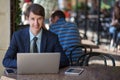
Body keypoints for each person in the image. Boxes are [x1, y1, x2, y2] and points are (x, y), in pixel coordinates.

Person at [2, 4, 69, 69]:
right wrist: (23, 64)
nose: (36, 23)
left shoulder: (52, 38)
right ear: (28, 19)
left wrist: (46, 64)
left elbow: (64, 61)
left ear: (43, 19)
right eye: (33, 19)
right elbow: (6, 61)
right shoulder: (17, 36)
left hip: (45, 74)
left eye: (39, 19)